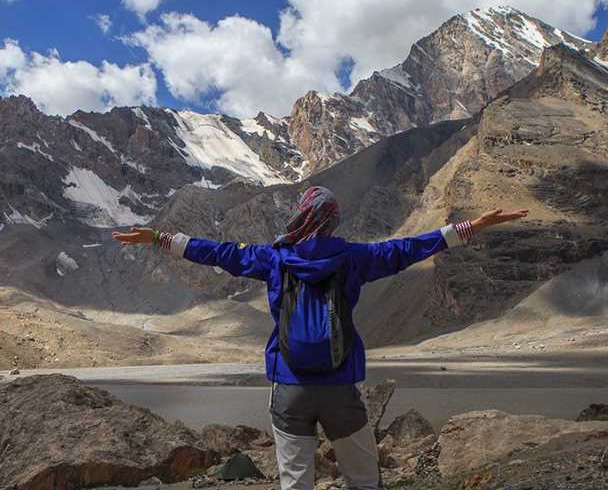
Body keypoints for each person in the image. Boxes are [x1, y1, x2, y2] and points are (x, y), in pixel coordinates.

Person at [112, 186, 527, 490]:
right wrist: (471, 227)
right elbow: (410, 248)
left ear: (302, 216)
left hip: (289, 388)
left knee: (295, 482)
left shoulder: (273, 259)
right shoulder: (355, 258)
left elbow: (217, 252)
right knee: (364, 479)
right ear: (332, 221)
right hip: (340, 385)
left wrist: (158, 238)